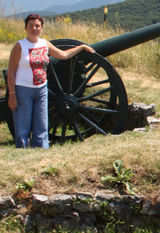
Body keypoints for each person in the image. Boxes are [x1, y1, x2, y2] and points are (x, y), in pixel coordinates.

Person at [6, 13, 95, 148]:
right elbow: (11, 71)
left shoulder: (44, 44)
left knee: (41, 123)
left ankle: (41, 149)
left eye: (37, 26)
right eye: (31, 26)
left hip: (41, 89)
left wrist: (81, 47)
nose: (34, 28)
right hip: (23, 89)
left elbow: (63, 55)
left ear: (41, 28)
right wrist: (12, 95)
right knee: (23, 124)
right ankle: (22, 151)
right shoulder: (20, 46)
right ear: (26, 28)